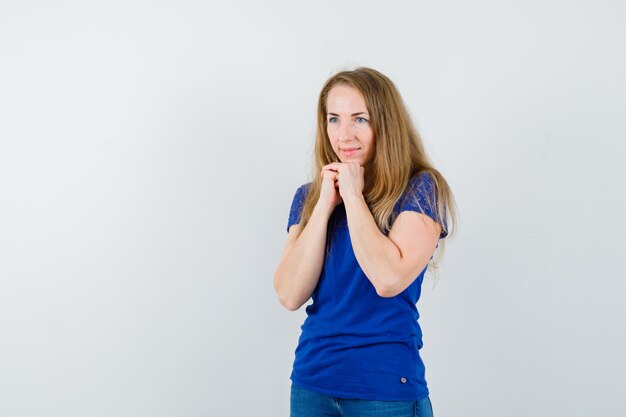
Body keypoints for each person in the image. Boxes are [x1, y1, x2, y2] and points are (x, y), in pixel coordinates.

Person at [273, 67, 457, 417]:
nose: (344, 135)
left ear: (385, 124)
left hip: (386, 390)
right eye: (334, 119)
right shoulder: (309, 197)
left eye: (360, 119)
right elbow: (289, 294)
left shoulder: (420, 189)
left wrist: (354, 197)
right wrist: (325, 205)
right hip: (312, 384)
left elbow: (388, 279)